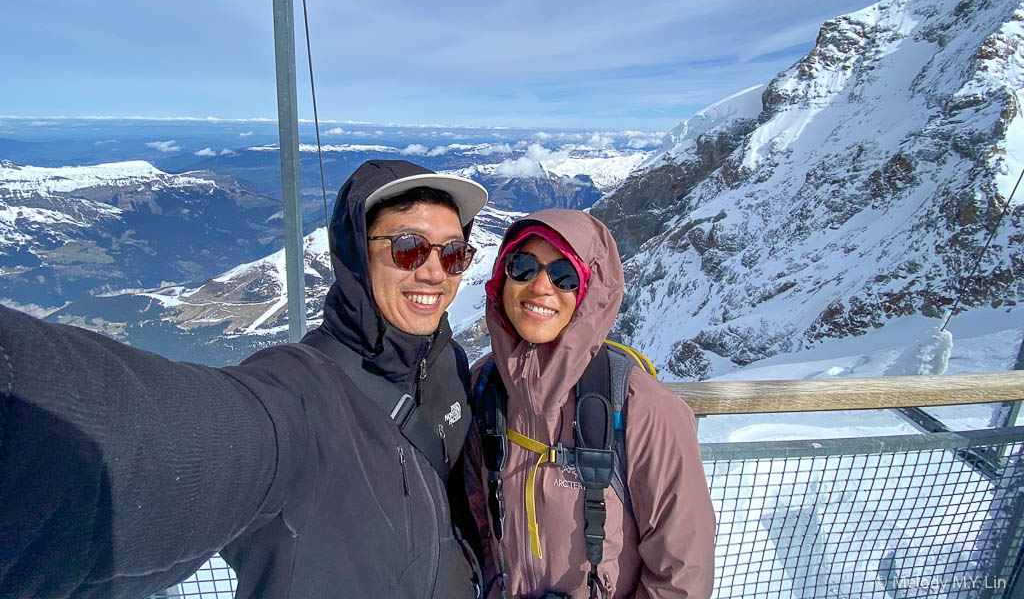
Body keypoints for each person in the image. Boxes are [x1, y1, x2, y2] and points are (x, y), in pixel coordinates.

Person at [0, 159, 488, 599]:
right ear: (358, 253)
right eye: (407, 248)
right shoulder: (301, 394)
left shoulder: (451, 366)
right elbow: (162, 437)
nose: (434, 272)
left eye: (453, 253)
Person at [464, 209, 716, 599]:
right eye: (523, 267)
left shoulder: (644, 409)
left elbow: (682, 575)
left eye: (564, 275)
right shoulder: (482, 388)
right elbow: (475, 525)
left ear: (589, 291)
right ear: (502, 278)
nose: (540, 287)